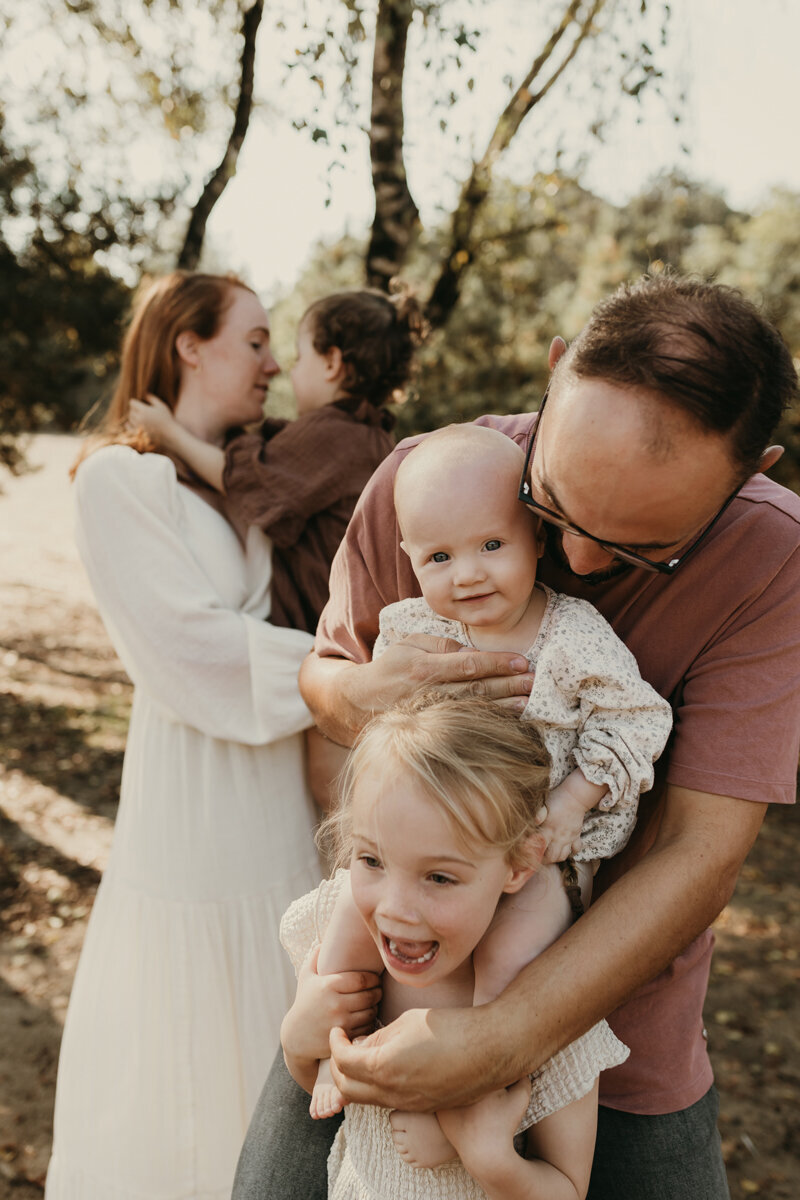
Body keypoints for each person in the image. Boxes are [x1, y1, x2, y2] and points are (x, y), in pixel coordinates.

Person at [232, 273, 800, 1200]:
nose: (575, 563)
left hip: (619, 1041)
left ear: (753, 470)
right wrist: (368, 690)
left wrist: (505, 1036)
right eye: (554, 506)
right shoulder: (428, 481)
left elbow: (703, 850)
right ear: (555, 370)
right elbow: (324, 682)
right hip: (389, 989)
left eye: (637, 552)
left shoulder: (774, 558)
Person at [45, 271, 328, 1200]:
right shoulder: (118, 481)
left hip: (285, 795)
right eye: (253, 340)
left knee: (282, 1022)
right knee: (191, 1059)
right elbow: (191, 653)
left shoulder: (254, 477)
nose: (273, 363)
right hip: (195, 796)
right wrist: (347, 676)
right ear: (188, 345)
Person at [308, 423, 672, 1128]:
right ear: (409, 558)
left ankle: (481, 1089)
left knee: (511, 959)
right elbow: (390, 731)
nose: (467, 574)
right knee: (350, 918)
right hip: (426, 852)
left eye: (492, 546)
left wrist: (573, 801)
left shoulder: (572, 635)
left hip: (531, 854)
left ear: (538, 537)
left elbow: (637, 720)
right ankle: (331, 1040)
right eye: (439, 556)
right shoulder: (412, 630)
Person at [281, 692, 630, 1200]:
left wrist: (487, 1156)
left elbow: (567, 1188)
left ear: (518, 867)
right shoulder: (348, 953)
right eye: (372, 861)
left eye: (440, 877)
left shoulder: (544, 997)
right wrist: (298, 1041)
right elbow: (324, 1090)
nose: (396, 908)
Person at [127, 287, 423, 634]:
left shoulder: (332, 435)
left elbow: (245, 479)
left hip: (326, 628)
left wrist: (169, 432)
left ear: (331, 363)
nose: (286, 370)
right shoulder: (372, 437)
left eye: (299, 359)